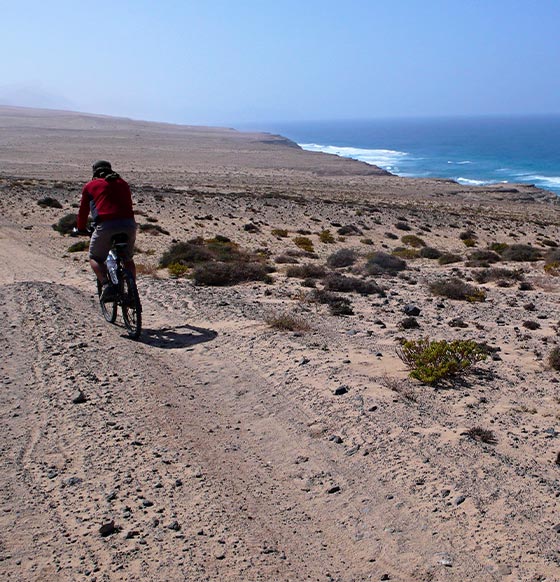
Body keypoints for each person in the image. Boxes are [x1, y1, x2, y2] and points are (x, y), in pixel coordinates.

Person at [76, 160, 137, 300]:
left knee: (95, 257)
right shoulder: (123, 183)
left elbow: (83, 211)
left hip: (106, 225)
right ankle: (132, 288)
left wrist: (80, 228)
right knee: (127, 258)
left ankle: (106, 284)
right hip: (129, 225)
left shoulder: (90, 186)